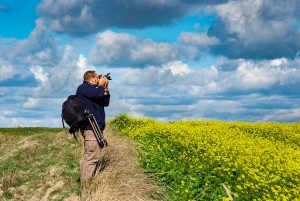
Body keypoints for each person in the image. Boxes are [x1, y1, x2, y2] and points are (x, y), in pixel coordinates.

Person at [76, 70, 110, 184]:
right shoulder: (83, 88)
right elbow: (97, 94)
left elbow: (105, 102)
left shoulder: (95, 90)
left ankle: (87, 182)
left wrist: (105, 88)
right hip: (91, 127)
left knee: (92, 155)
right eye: (97, 78)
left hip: (96, 127)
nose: (98, 79)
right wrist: (100, 86)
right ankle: (86, 187)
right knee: (91, 157)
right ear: (91, 79)